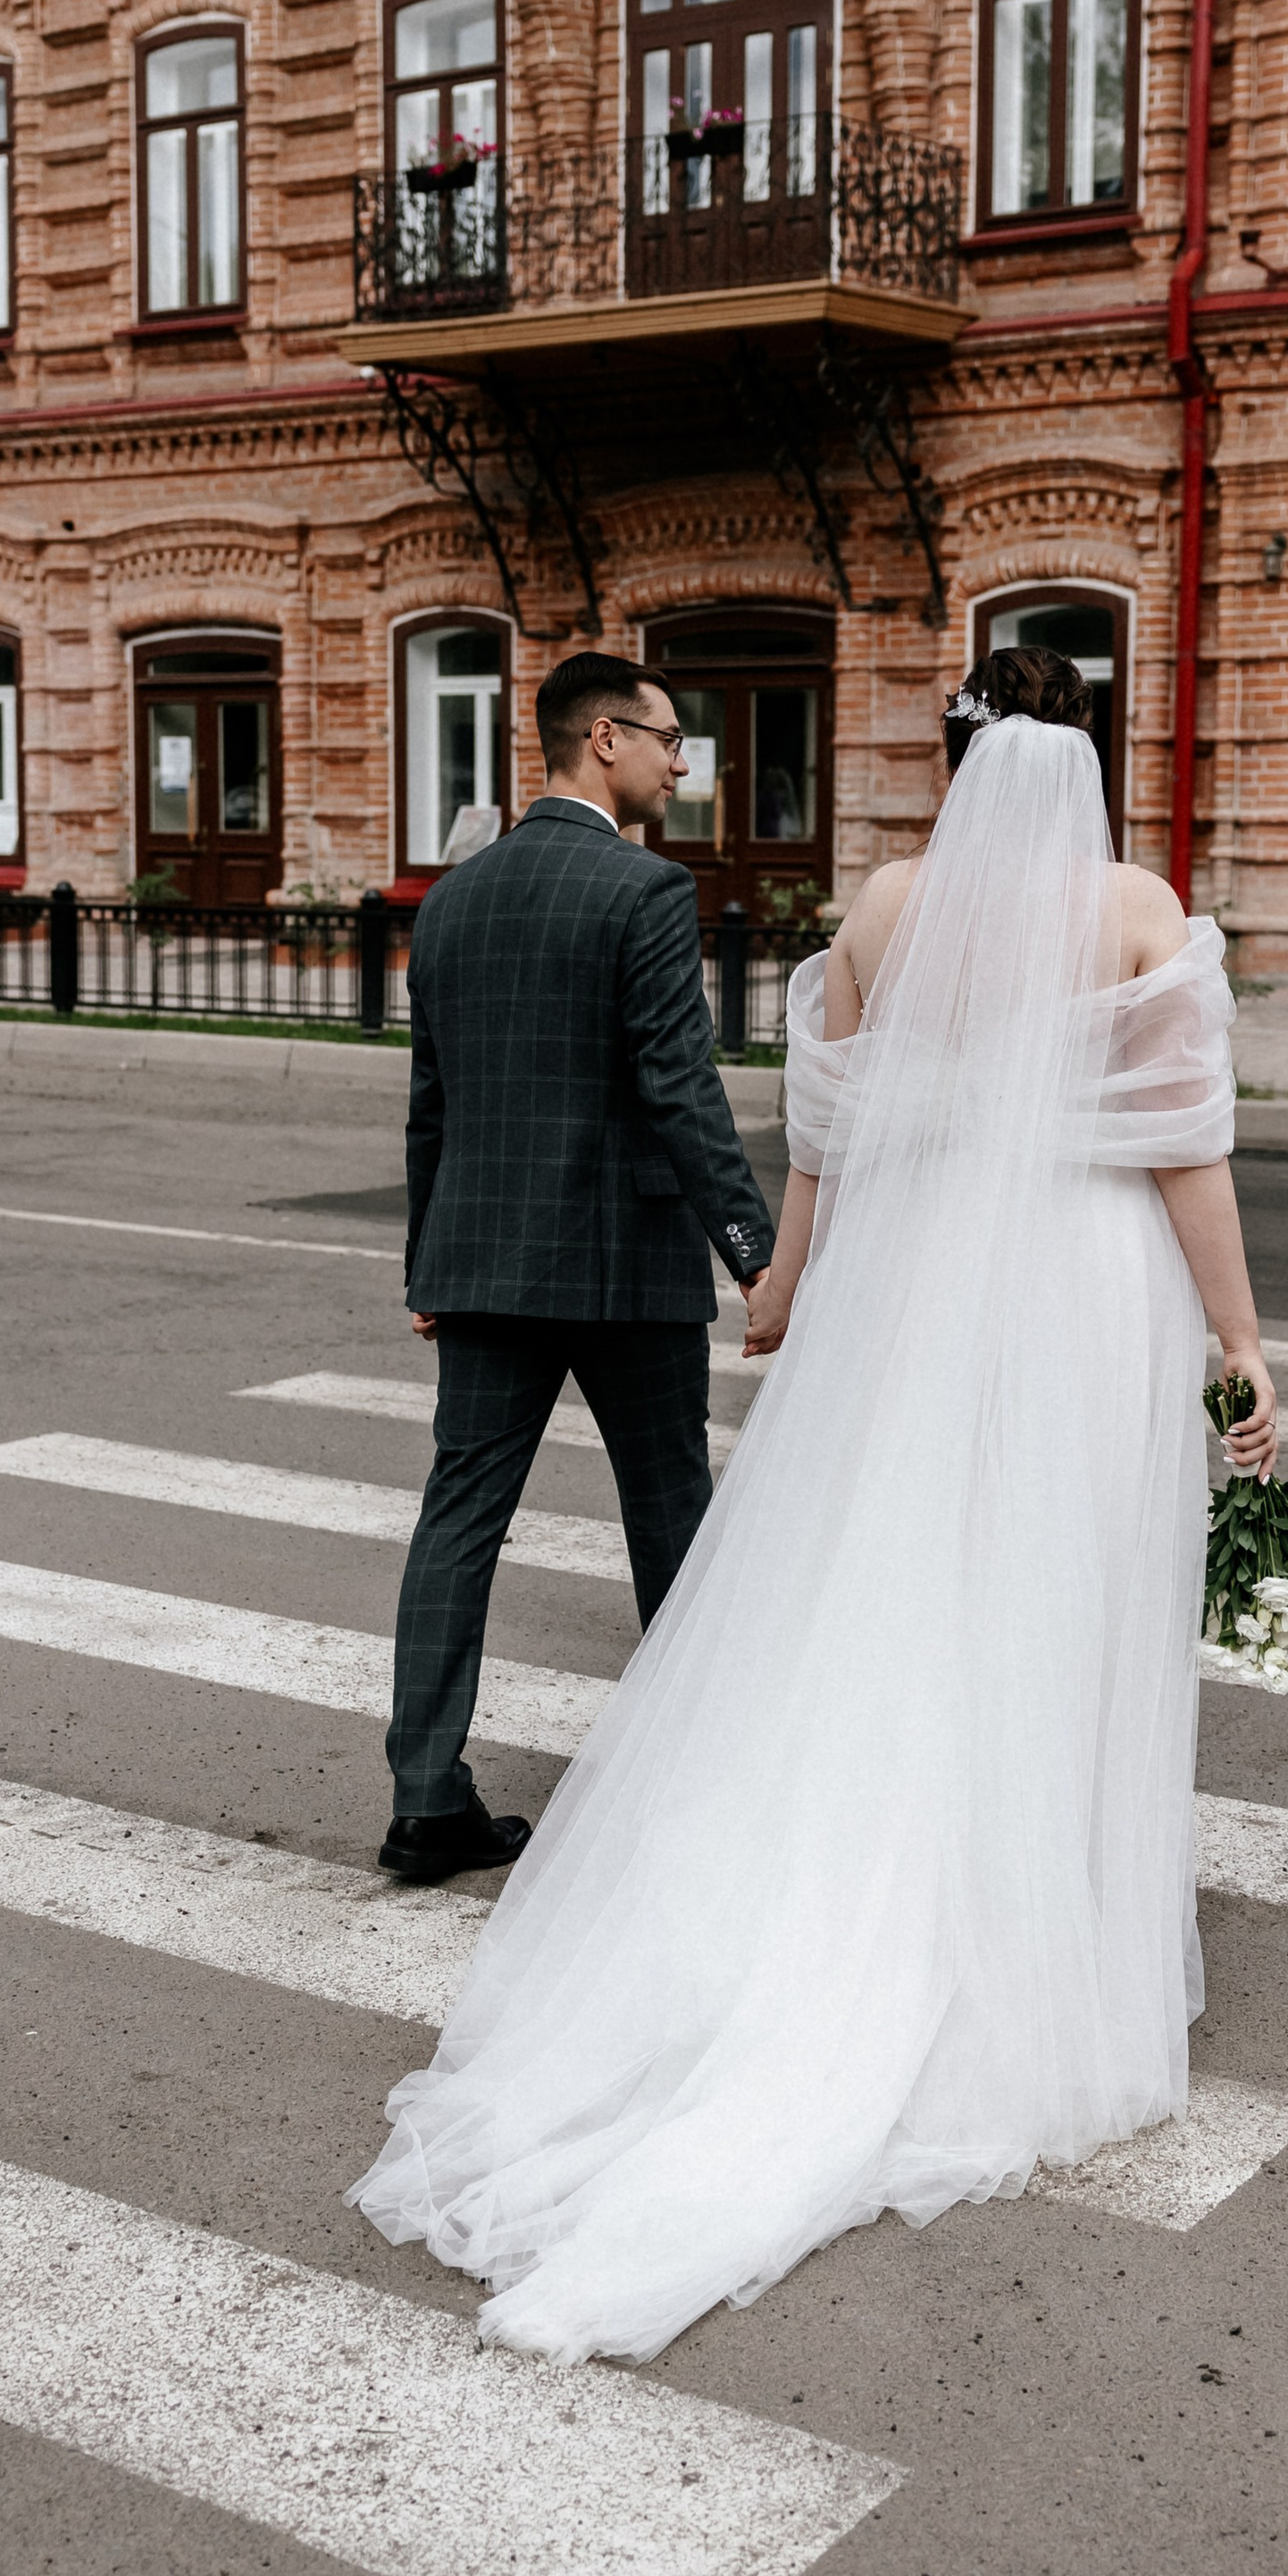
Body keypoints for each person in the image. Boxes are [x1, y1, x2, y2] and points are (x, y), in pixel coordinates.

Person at [348, 645, 1278, 2356]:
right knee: (1047, 1588)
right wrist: (1237, 1339)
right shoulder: (1139, 908)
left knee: (884, 1576)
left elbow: (823, 1128)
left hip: (908, 1287)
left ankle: (767, 1871)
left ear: (954, 753)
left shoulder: (877, 911)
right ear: (1087, 753)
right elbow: (1184, 1145)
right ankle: (1022, 1909)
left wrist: (789, 1277)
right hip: (1079, 1295)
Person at [374, 648, 777, 1886]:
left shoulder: (451, 901)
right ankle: (702, 1769)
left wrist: (426, 1267)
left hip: (484, 1261)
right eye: (667, 737)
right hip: (623, 1266)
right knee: (671, 1517)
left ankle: (426, 1799)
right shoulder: (644, 891)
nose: (679, 761)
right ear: (604, 739)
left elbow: (430, 1107)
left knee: (458, 1522)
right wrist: (759, 1253)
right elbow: (678, 1088)